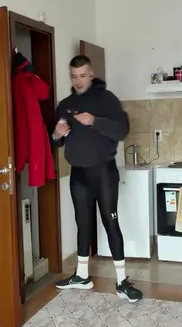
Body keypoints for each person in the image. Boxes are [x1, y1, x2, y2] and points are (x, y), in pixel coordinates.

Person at [53, 55, 142, 303]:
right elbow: (58, 140)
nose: (78, 81)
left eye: (82, 75)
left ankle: (122, 282)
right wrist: (56, 135)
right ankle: (82, 276)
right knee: (82, 223)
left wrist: (94, 121)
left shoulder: (107, 99)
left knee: (110, 222)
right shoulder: (65, 105)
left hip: (103, 172)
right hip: (78, 173)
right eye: (74, 76)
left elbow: (122, 131)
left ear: (91, 74)